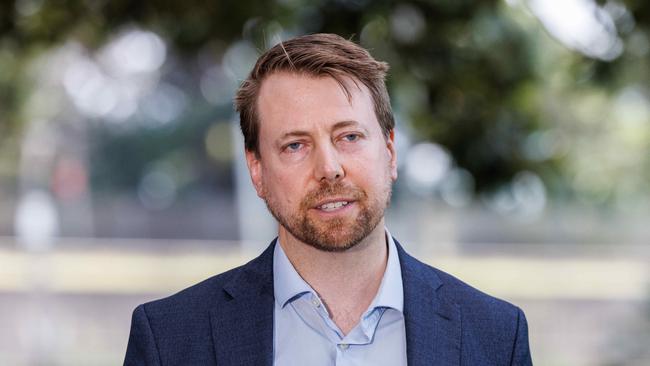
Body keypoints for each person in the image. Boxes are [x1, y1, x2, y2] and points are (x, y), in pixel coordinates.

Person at [124, 33, 532, 366]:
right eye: (295, 145)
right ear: (257, 171)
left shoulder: (496, 336)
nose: (329, 168)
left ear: (389, 152)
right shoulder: (168, 341)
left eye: (349, 137)